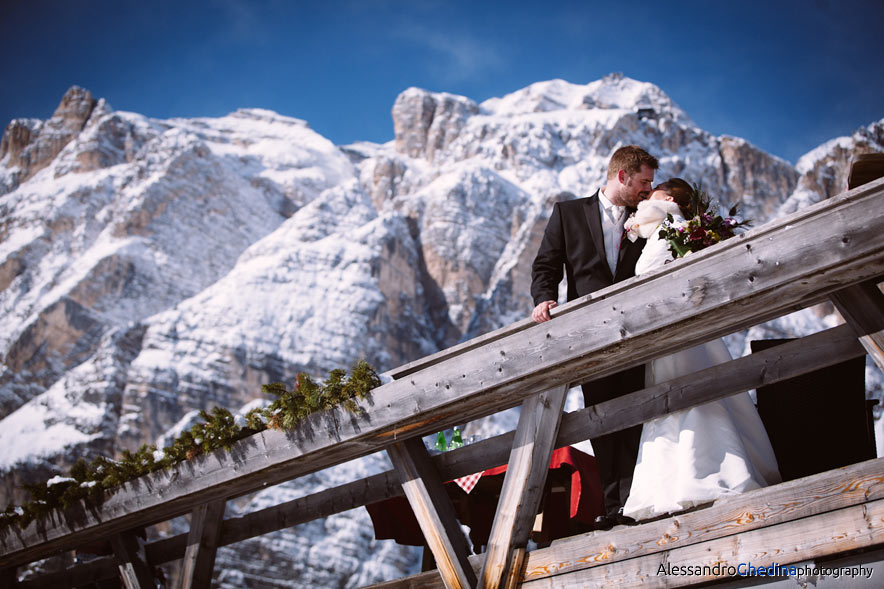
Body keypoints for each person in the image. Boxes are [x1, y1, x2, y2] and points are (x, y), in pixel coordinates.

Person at [620, 178, 781, 521]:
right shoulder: (678, 228)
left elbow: (648, 272)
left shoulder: (669, 226)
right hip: (681, 330)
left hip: (675, 332)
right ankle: (697, 475)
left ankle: (698, 479)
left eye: (656, 191)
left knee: (682, 395)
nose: (648, 196)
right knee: (699, 393)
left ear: (671, 199)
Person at [531, 145, 658, 530]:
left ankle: (633, 502)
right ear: (622, 176)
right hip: (588, 335)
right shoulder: (567, 213)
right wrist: (544, 299)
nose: (648, 190)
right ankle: (611, 506)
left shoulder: (649, 217)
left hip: (637, 330)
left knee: (636, 412)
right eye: (643, 182)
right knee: (600, 416)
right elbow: (546, 264)